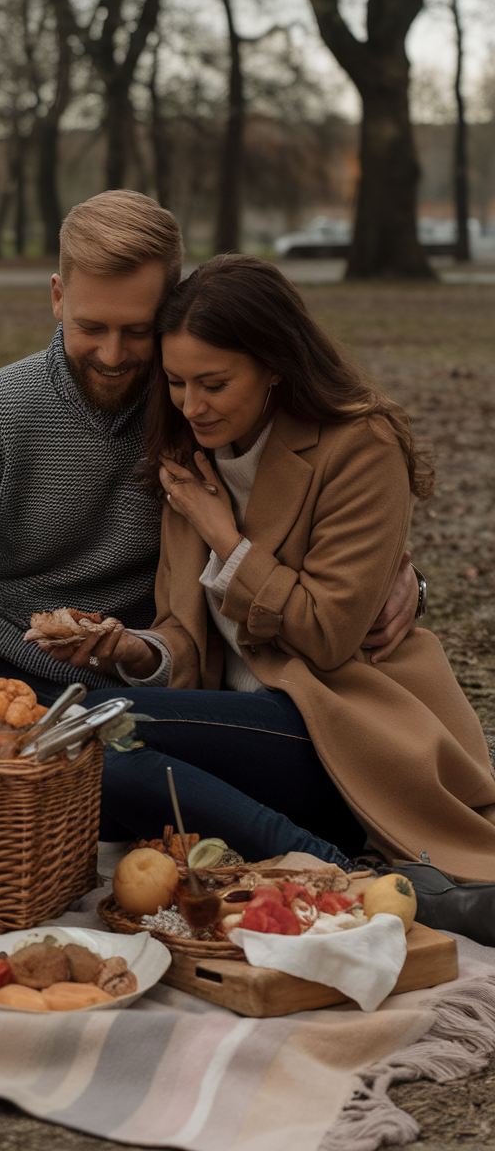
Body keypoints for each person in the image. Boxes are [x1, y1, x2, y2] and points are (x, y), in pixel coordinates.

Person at [0, 194, 417, 894]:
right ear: (56, 297)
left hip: (134, 676)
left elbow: (304, 517)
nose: (112, 355)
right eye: (90, 326)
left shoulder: (196, 412)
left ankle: (325, 872)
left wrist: (399, 579)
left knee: (90, 749)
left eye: (137, 330)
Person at [45, 254, 495, 939]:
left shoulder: (358, 445)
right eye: (174, 383)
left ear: (276, 365)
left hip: (348, 734)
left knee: (102, 728)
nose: (191, 404)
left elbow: (327, 634)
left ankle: (350, 880)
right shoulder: (190, 458)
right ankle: (341, 872)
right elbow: (189, 640)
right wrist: (135, 650)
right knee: (79, 750)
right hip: (254, 735)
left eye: (214, 383)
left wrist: (226, 537)